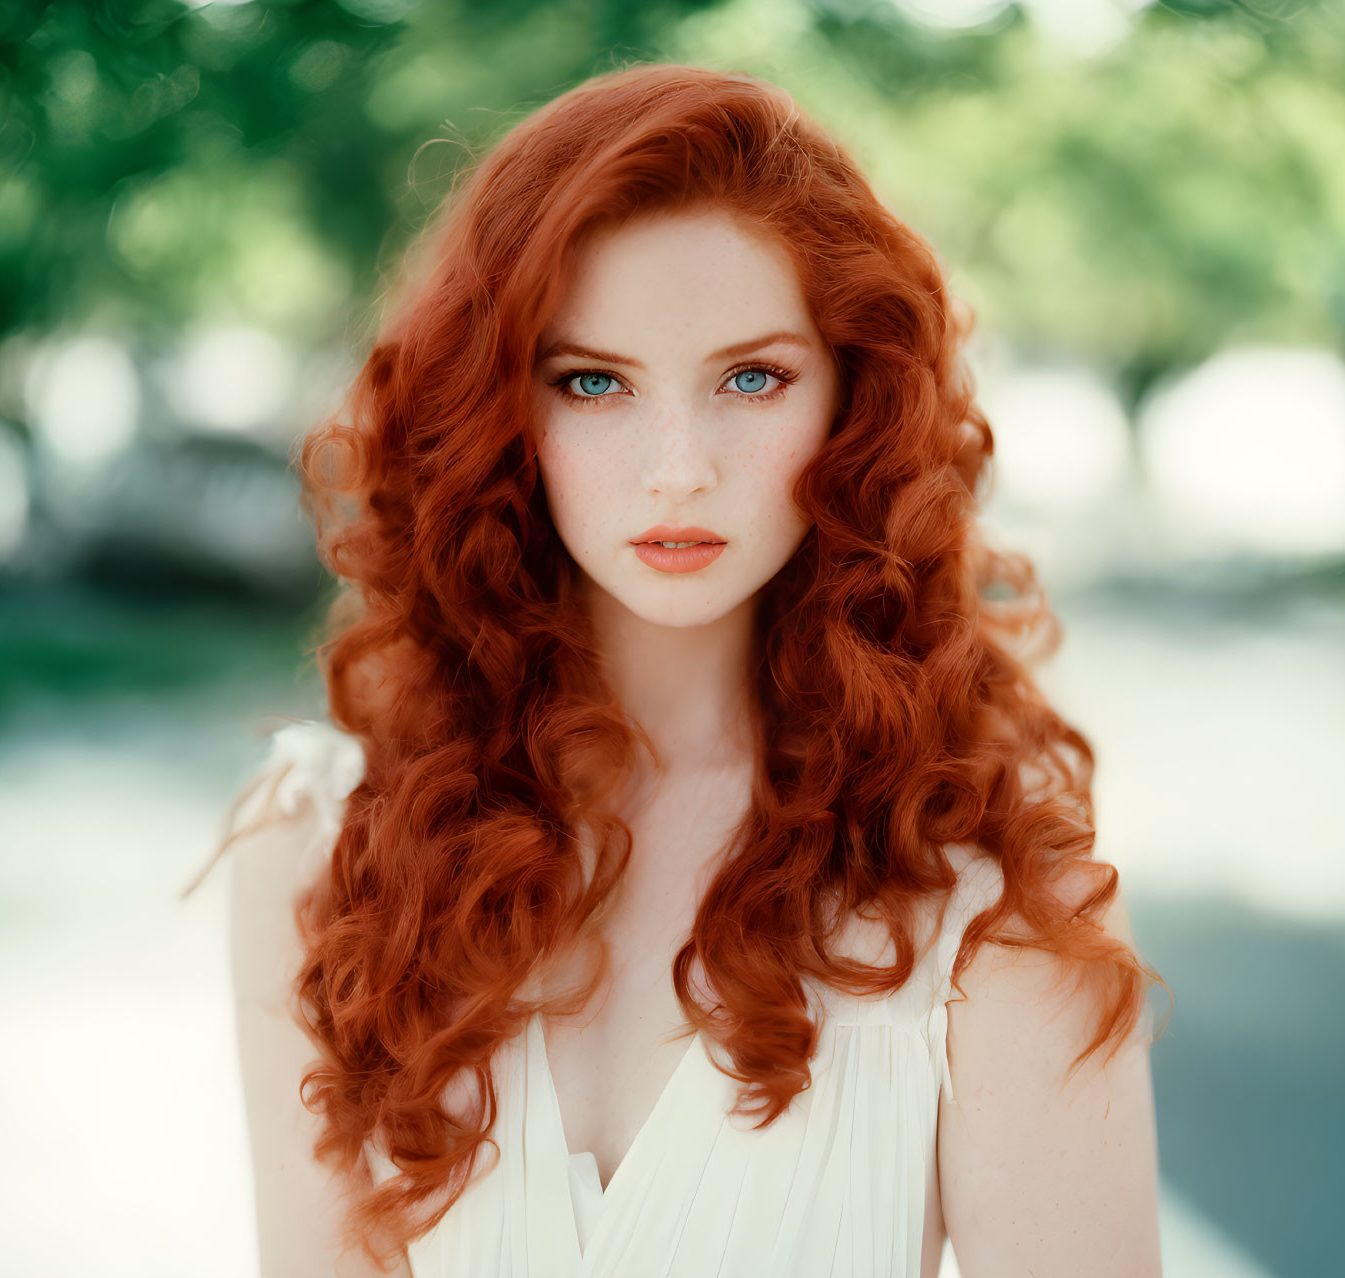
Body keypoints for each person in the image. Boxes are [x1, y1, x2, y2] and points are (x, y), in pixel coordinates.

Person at [193, 61, 1168, 1278]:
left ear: (850, 407)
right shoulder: (317, 857)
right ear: (501, 409)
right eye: (593, 382)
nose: (675, 468)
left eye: (749, 378)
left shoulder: (989, 897)